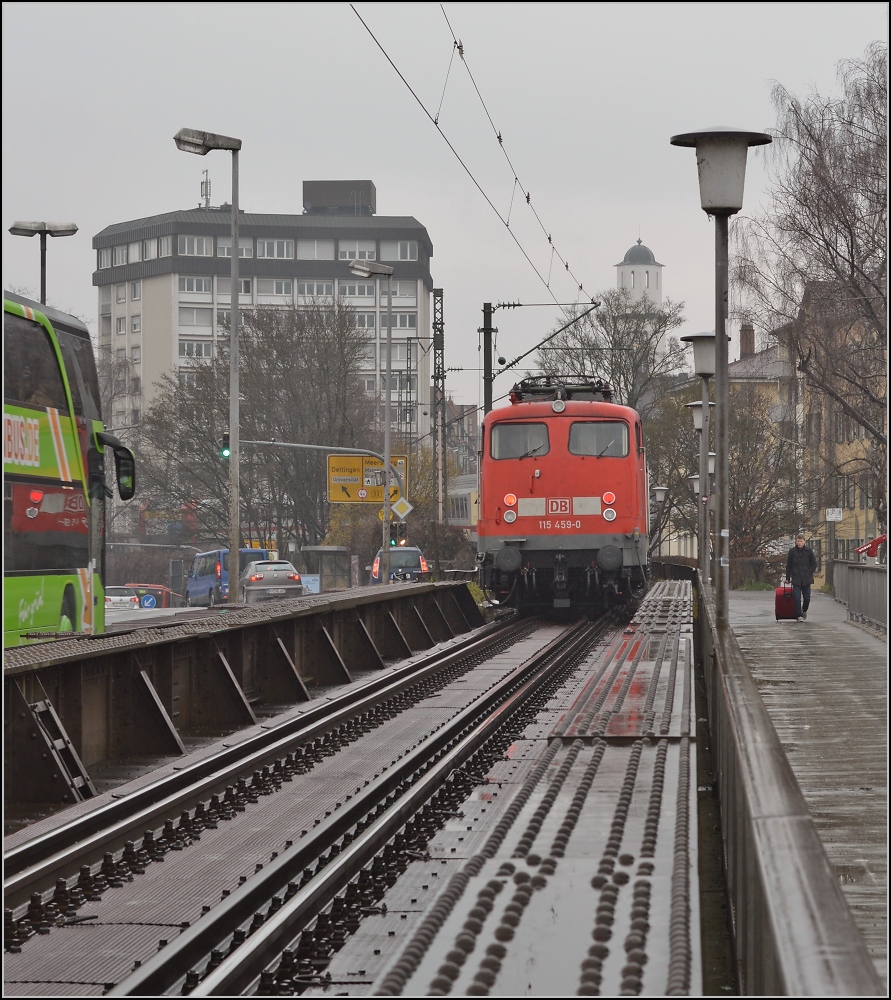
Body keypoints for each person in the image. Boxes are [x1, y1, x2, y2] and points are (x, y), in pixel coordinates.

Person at [785, 532, 817, 622]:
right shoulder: (792, 551)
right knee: (797, 598)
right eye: (798, 541)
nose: (799, 543)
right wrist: (787, 577)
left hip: (806, 579)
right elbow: (789, 565)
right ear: (796, 541)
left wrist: (809, 572)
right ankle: (799, 615)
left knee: (807, 598)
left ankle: (804, 610)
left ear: (804, 542)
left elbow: (814, 564)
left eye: (801, 541)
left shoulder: (809, 551)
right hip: (796, 578)